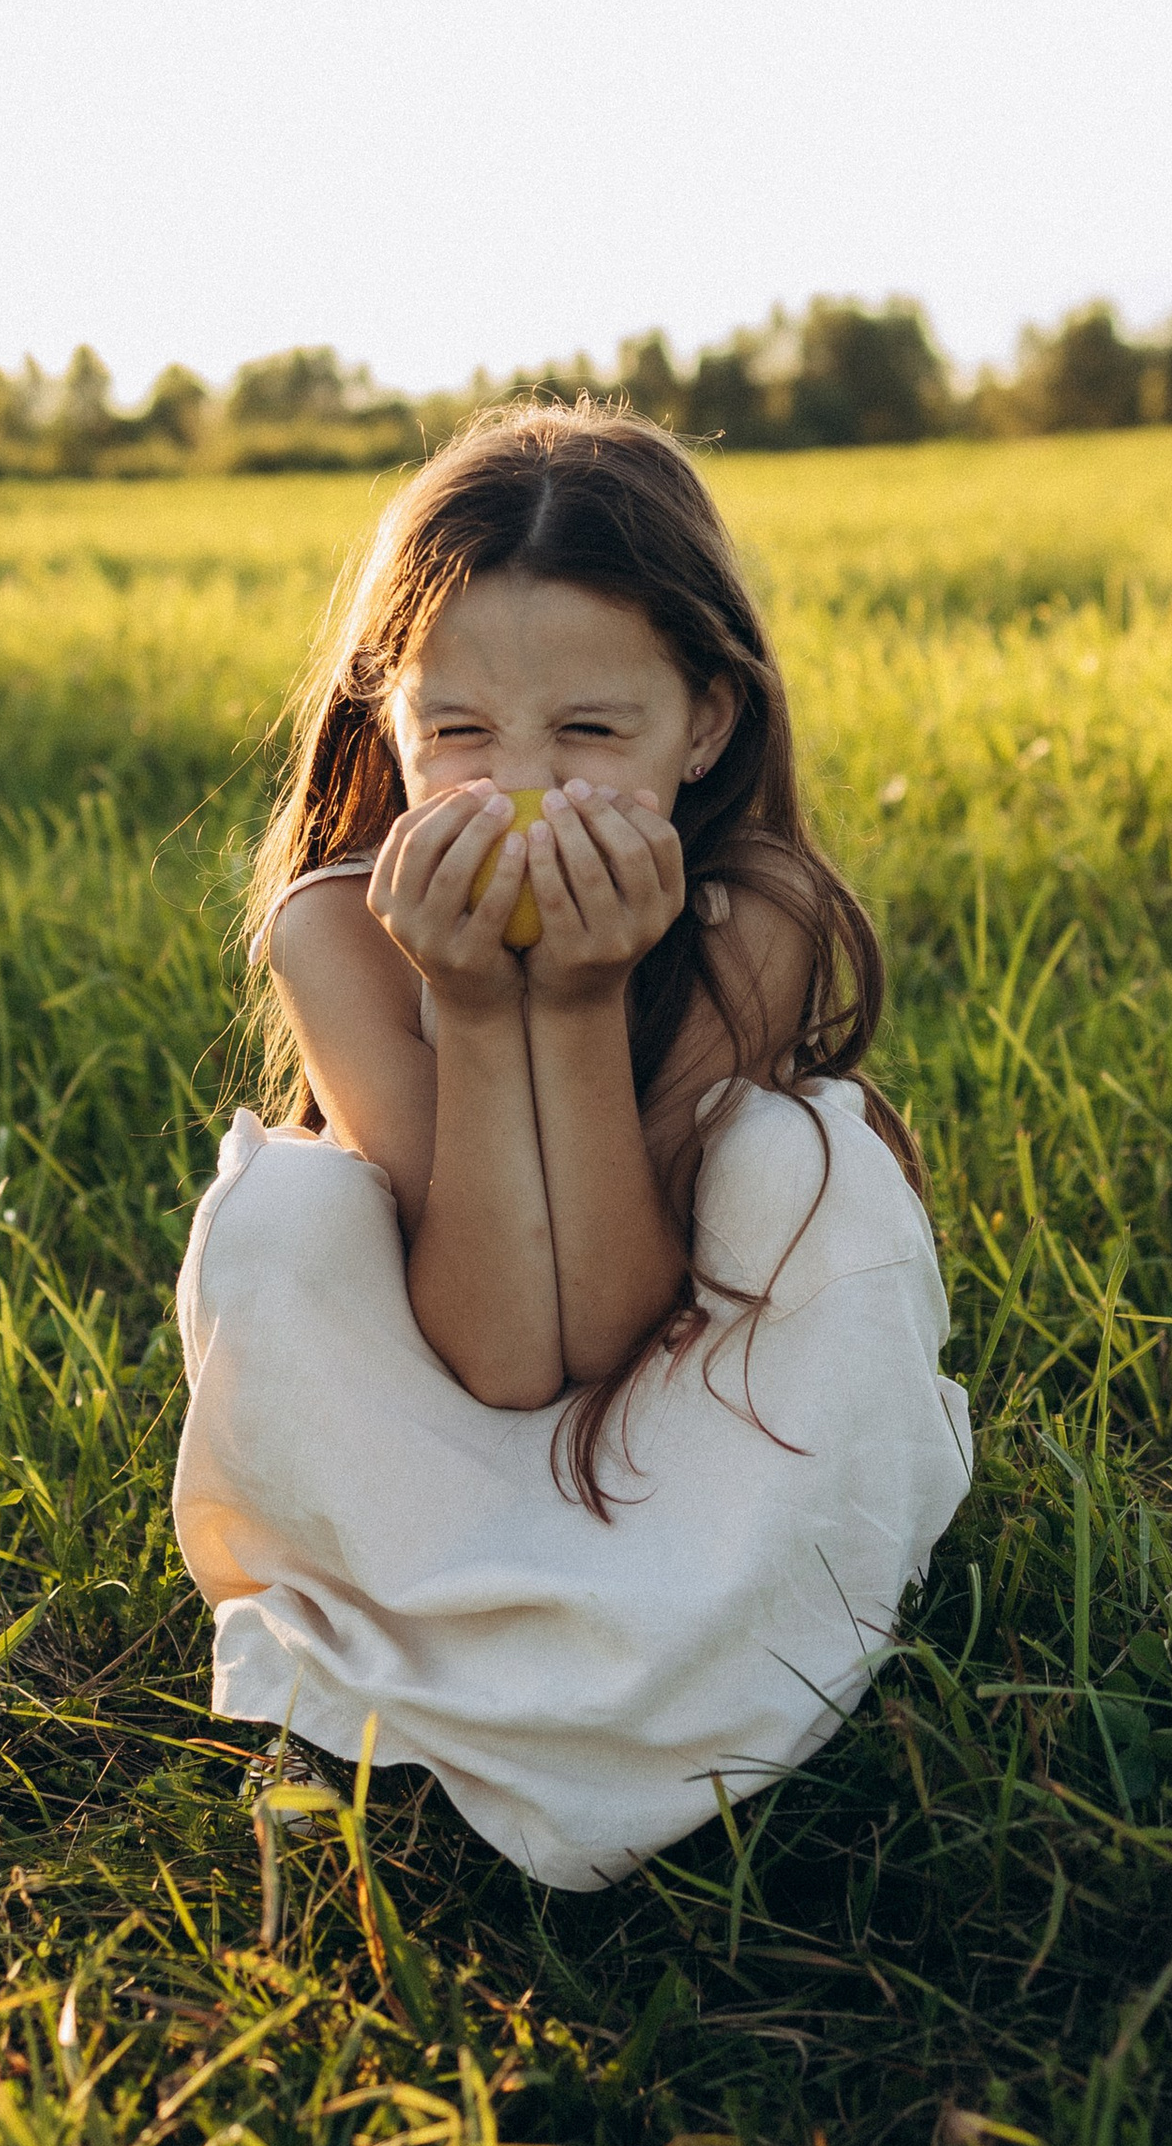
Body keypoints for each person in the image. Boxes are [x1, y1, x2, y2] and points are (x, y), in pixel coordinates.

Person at [172, 399, 972, 1891]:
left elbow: (610, 1337)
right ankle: (460, 1650)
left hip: (679, 1432)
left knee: (812, 1161)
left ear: (706, 726)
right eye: (458, 733)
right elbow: (501, 1364)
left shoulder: (755, 924)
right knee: (282, 1219)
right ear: (382, 715)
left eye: (592, 732)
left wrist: (590, 999)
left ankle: (690, 1648)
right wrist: (476, 1011)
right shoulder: (336, 931)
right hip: (428, 1436)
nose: (518, 783)